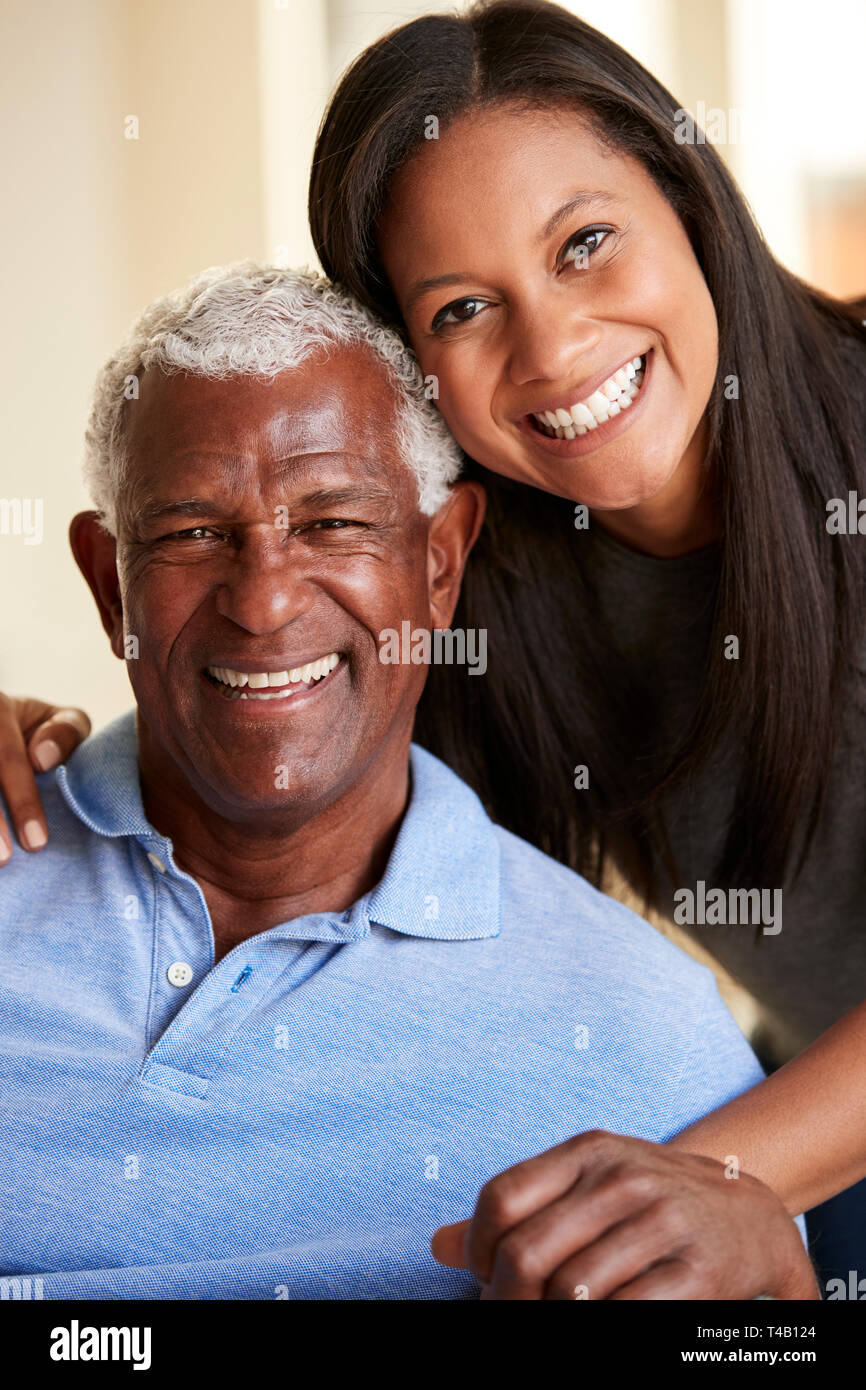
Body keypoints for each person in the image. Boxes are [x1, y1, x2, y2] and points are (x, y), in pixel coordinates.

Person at [2, 0, 864, 1293]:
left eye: (584, 243)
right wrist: (40, 744)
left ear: (688, 196)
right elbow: (269, 695)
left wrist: (685, 1184)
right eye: (462, 306)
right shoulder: (499, 581)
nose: (554, 344)